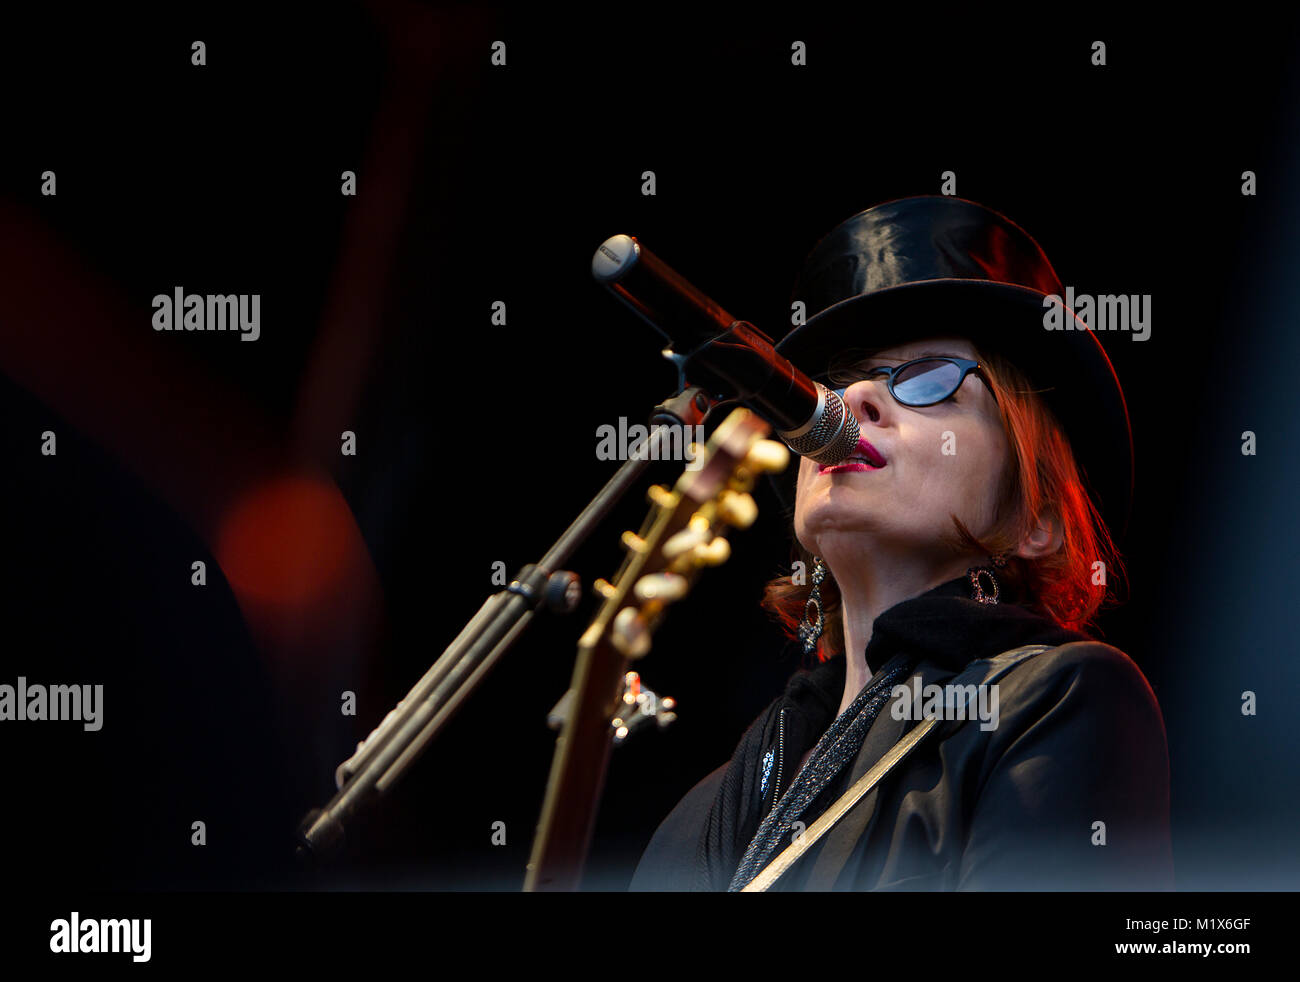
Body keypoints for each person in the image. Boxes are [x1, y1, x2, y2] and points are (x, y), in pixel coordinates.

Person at [627, 195, 1174, 891]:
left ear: (1038, 516)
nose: (852, 398)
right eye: (829, 383)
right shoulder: (701, 815)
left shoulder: (1060, 700)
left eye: (928, 378)